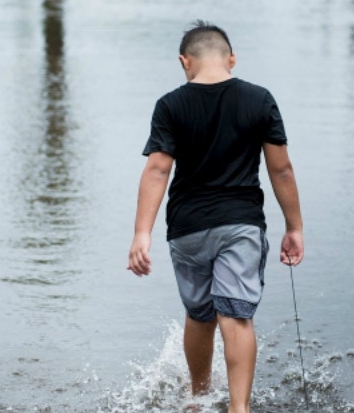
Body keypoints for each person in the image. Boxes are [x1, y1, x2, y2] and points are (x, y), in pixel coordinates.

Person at [127, 21, 304, 413]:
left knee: (200, 314)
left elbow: (158, 169)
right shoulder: (259, 100)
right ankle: (238, 408)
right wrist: (294, 227)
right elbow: (282, 170)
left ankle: (198, 398)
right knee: (235, 315)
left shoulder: (170, 105)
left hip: (187, 229)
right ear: (232, 59)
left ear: (184, 61)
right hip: (240, 225)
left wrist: (142, 233)